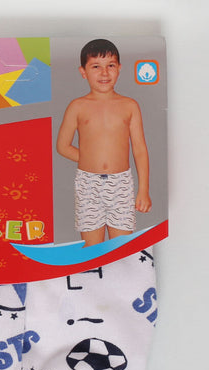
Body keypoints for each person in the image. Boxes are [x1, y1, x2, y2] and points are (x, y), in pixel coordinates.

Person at [56, 39, 152, 247]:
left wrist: (143, 189)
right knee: (93, 250)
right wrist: (91, 158)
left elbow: (139, 149)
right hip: (88, 184)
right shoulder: (77, 106)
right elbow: (62, 146)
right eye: (96, 67)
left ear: (119, 68)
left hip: (121, 184)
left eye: (110, 65)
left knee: (122, 249)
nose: (104, 73)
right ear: (83, 72)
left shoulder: (129, 106)